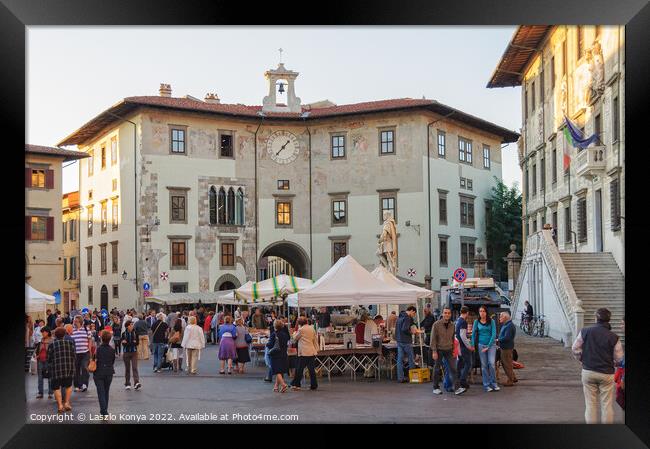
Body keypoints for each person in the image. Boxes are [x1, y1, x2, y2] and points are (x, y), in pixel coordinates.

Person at [572, 308, 624, 424]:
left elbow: (575, 348)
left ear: (596, 318)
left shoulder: (585, 331)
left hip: (588, 371)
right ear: (609, 320)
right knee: (607, 405)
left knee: (590, 405)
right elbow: (619, 358)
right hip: (607, 373)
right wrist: (612, 362)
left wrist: (581, 359)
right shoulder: (614, 337)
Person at [431, 307, 465, 395]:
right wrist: (434, 351)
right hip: (439, 349)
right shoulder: (436, 324)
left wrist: (454, 349)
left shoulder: (453, 325)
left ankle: (457, 388)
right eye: (445, 313)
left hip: (449, 349)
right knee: (437, 368)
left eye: (448, 313)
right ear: (442, 314)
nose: (447, 314)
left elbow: (453, 337)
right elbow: (433, 339)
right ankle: (435, 387)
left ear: (450, 314)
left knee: (453, 369)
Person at [47, 327, 76, 413]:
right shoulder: (70, 343)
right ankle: (67, 403)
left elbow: (49, 358)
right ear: (64, 334)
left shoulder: (52, 344)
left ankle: (60, 405)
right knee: (68, 386)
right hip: (68, 368)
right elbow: (74, 356)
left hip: (56, 369)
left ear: (55, 335)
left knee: (56, 388)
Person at [472, 306, 499, 392]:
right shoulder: (476, 321)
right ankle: (486, 384)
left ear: (486, 312)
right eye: (480, 311)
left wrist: (488, 346)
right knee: (483, 366)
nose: (482, 313)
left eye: (483, 311)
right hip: (481, 345)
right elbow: (473, 334)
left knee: (491, 363)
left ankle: (494, 383)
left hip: (491, 345)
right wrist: (472, 345)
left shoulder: (492, 321)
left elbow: (494, 334)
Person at [290, 317, 319, 391]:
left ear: (300, 323)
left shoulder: (301, 329)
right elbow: (315, 339)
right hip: (311, 351)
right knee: (311, 370)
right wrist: (316, 349)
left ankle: (297, 385)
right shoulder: (312, 328)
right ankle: (314, 385)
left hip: (303, 352)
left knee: (299, 369)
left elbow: (295, 338)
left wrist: (294, 333)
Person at [395, 306, 421, 383]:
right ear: (412, 311)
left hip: (399, 341)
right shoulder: (407, 318)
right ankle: (413, 377)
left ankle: (400, 378)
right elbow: (405, 329)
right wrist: (412, 332)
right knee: (411, 359)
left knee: (400, 359)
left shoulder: (400, 317)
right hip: (406, 341)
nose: (414, 315)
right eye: (414, 314)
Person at [93, 330, 116, 419]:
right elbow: (112, 361)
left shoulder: (98, 349)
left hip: (99, 372)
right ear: (109, 339)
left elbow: (95, 359)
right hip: (109, 372)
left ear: (101, 338)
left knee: (101, 392)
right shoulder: (112, 350)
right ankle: (104, 410)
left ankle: (104, 411)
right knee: (106, 392)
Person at [267, 319, 290, 393]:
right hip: (284, 354)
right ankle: (276, 386)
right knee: (280, 371)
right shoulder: (285, 334)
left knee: (277, 371)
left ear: (275, 326)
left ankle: (283, 385)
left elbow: (270, 345)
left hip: (276, 354)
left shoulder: (274, 334)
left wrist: (266, 343)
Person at [455, 306, 474, 390]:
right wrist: (469, 346)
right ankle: (463, 380)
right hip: (463, 346)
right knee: (468, 364)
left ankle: (457, 380)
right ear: (467, 313)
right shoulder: (463, 322)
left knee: (460, 364)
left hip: (458, 346)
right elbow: (463, 336)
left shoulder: (458, 321)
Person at [71, 315, 92, 393]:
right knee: (76, 370)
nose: (74, 322)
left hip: (85, 352)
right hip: (75, 353)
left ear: (80, 322)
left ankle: (84, 384)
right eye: (74, 321)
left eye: (76, 321)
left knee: (84, 367)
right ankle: (77, 385)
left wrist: (89, 349)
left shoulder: (86, 329)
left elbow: (90, 340)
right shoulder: (72, 330)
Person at [498, 311, 517, 386]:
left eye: (501, 317)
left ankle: (510, 380)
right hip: (506, 347)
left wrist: (498, 340)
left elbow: (507, 337)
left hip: (506, 348)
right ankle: (513, 377)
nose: (499, 318)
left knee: (507, 364)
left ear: (505, 317)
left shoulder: (509, 326)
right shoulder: (508, 324)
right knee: (508, 363)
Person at [121, 320, 141, 390]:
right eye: (130, 325)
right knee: (127, 368)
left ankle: (136, 382)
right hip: (126, 353)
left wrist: (129, 343)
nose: (132, 326)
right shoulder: (124, 334)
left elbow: (137, 343)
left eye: (132, 325)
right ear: (127, 326)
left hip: (134, 352)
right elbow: (123, 344)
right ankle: (127, 383)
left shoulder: (135, 333)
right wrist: (132, 342)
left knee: (135, 367)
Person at [34, 326, 53, 399]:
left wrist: (46, 345)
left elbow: (52, 351)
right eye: (41, 332)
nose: (42, 334)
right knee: (40, 377)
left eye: (43, 332)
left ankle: (50, 393)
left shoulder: (52, 341)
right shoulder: (41, 340)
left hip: (48, 361)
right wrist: (37, 355)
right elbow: (38, 350)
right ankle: (40, 393)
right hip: (40, 361)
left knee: (50, 377)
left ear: (47, 332)